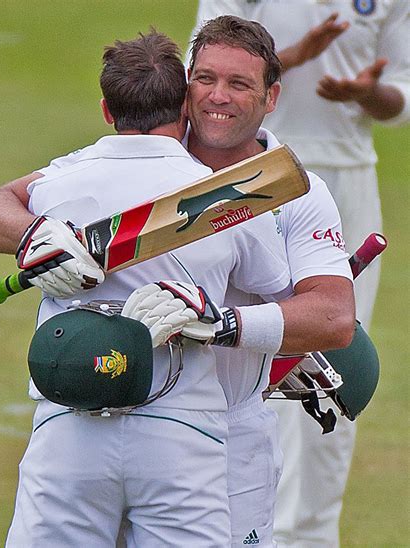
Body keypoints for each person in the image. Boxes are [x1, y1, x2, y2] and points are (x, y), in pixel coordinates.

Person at [0, 30, 293, 547]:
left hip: (68, 432)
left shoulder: (53, 187)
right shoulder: (228, 198)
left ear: (107, 110)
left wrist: (33, 236)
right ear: (184, 106)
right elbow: (274, 293)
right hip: (183, 436)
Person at [189, 4, 410, 547]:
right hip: (244, 172)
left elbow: (402, 94)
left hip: (347, 172)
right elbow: (199, 75)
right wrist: (290, 60)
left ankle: (310, 538)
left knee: (332, 370)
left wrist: (366, 94)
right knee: (222, 360)